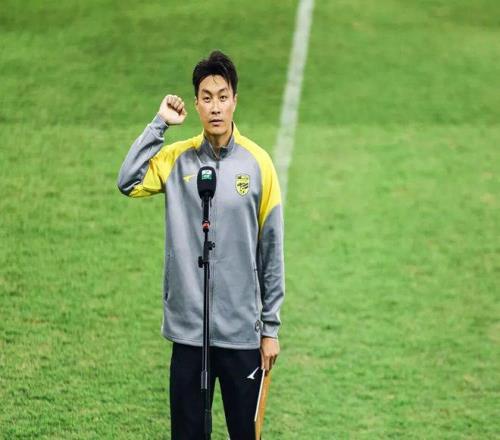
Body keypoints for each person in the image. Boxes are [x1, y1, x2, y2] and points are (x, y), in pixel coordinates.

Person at [117, 50, 285, 439]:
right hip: (190, 333)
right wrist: (159, 124)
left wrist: (270, 328)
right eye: (207, 98)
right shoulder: (177, 159)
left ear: (235, 100)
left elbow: (271, 250)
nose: (215, 107)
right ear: (196, 104)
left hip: (242, 333)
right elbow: (127, 180)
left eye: (222, 97)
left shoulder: (259, 164)